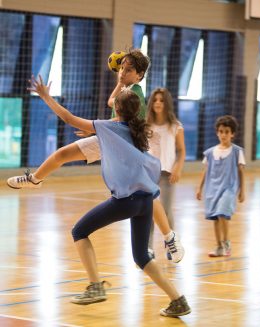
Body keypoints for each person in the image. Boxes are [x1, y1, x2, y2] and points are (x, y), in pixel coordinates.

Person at [28, 75, 191, 317]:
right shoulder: (139, 131)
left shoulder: (107, 127)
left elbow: (68, 118)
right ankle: (178, 300)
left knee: (79, 232)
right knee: (141, 256)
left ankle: (95, 287)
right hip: (146, 200)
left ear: (116, 108)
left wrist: (46, 96)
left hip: (126, 201)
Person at [7, 49, 184, 263]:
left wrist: (95, 126)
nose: (121, 73)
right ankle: (34, 179)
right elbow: (113, 104)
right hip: (110, 139)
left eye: (128, 70)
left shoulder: (135, 92)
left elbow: (114, 109)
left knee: (148, 195)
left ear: (139, 76)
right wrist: (98, 127)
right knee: (63, 154)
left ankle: (169, 236)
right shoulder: (128, 87)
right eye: (120, 69)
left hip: (127, 147)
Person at [196, 115, 245, 257]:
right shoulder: (210, 152)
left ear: (232, 134)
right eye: (221, 131)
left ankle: (226, 242)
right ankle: (219, 246)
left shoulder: (237, 151)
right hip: (212, 189)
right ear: (217, 132)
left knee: (223, 213)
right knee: (215, 218)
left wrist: (242, 190)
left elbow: (241, 171)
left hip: (228, 189)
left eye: (227, 132)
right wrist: (199, 188)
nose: (224, 135)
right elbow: (205, 171)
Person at [146, 88, 186, 260]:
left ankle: (171, 246)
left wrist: (178, 167)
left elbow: (181, 151)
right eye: (155, 100)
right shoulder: (146, 125)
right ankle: (147, 248)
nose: (157, 103)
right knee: (148, 211)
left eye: (161, 100)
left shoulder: (175, 126)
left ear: (167, 103)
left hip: (167, 173)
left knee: (166, 211)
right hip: (148, 173)